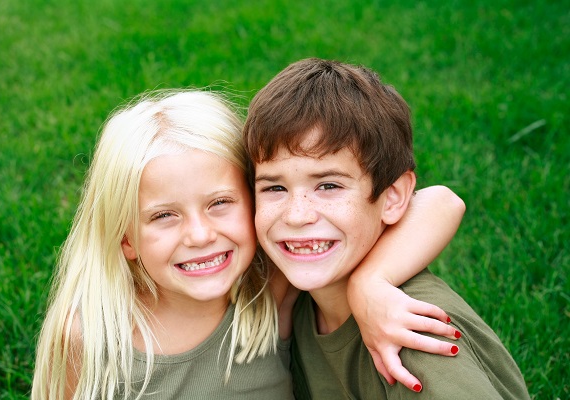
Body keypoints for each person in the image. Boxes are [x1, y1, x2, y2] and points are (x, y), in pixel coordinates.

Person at [31, 89, 462, 399]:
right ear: (125, 237)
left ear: (256, 200)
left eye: (220, 203)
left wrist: (369, 282)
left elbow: (440, 202)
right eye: (164, 215)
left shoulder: (266, 292)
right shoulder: (91, 335)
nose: (199, 235)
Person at [243, 58, 531, 399]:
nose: (297, 215)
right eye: (275, 188)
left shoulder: (414, 341)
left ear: (392, 197)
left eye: (329, 186)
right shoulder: (298, 298)